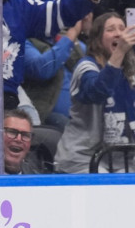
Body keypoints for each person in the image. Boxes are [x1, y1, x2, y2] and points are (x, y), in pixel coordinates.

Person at [55, 12, 135, 173]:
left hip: (123, 159)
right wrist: (119, 52)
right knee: (108, 188)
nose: (119, 33)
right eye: (111, 29)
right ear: (97, 38)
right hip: (82, 158)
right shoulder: (85, 67)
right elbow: (98, 91)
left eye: (122, 28)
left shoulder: (129, 73)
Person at [23, 15, 87, 131]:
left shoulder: (77, 45)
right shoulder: (25, 42)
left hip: (80, 116)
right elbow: (43, 69)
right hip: (46, 117)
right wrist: (71, 35)